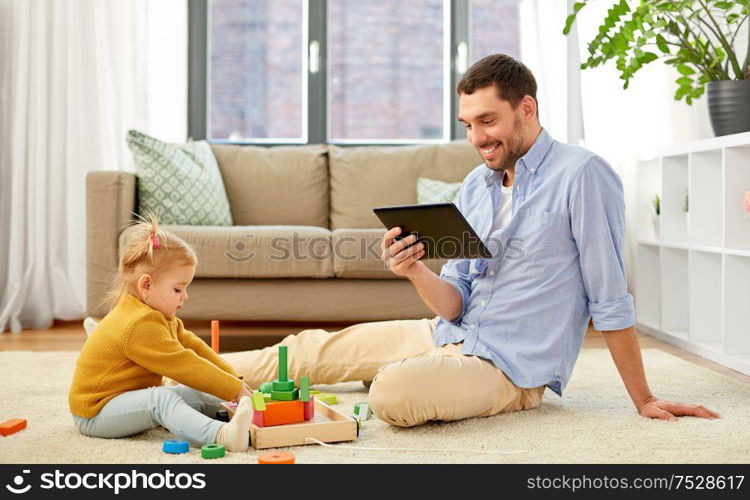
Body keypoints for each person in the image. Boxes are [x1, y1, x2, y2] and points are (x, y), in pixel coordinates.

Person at [223, 54, 719, 428]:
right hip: (446, 336)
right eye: (468, 124)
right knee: (309, 351)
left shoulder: (583, 174)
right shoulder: (474, 186)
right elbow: (454, 302)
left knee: (391, 394)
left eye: (488, 121)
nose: (477, 137)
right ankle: (163, 368)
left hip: (507, 368)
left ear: (526, 108)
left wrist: (644, 399)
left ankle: (419, 372)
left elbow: (609, 296)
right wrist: (414, 270)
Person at [68, 214, 255, 451]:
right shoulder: (140, 324)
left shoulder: (156, 314)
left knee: (184, 392)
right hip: (95, 413)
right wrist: (233, 389)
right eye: (178, 289)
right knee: (162, 400)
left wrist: (235, 383)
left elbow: (193, 347)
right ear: (146, 285)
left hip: (123, 400)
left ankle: (236, 413)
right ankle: (221, 436)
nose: (185, 296)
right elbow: (184, 363)